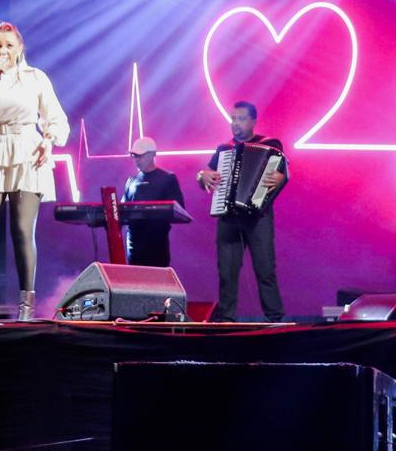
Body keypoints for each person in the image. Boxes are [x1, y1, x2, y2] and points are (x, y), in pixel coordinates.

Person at [0, 22, 69, 321]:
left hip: (26, 151)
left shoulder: (36, 78)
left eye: (9, 45)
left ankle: (26, 306)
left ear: (20, 48)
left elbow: (56, 118)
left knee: (22, 229)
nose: (3, 51)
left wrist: (48, 140)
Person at [195, 101, 289, 321]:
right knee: (227, 272)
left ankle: (275, 319)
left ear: (253, 121)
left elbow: (283, 171)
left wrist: (281, 177)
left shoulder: (270, 144)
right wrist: (202, 176)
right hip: (229, 217)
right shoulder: (224, 149)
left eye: (241, 119)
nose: (235, 123)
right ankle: (226, 319)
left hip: (258, 217)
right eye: (233, 119)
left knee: (265, 270)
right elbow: (205, 177)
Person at [123, 136, 186, 267]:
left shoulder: (167, 179)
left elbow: (179, 209)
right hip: (134, 248)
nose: (137, 160)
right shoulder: (131, 181)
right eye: (134, 156)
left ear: (152, 154)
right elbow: (121, 211)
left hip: (157, 247)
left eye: (140, 156)